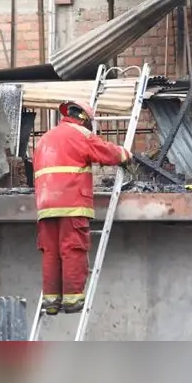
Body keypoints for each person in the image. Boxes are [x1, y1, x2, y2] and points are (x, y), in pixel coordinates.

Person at [32, 100, 131, 315]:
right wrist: (126, 156)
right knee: (72, 249)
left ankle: (51, 301)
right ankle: (72, 300)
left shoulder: (45, 138)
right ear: (84, 119)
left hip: (45, 204)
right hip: (71, 203)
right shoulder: (80, 135)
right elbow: (106, 152)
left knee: (50, 252)